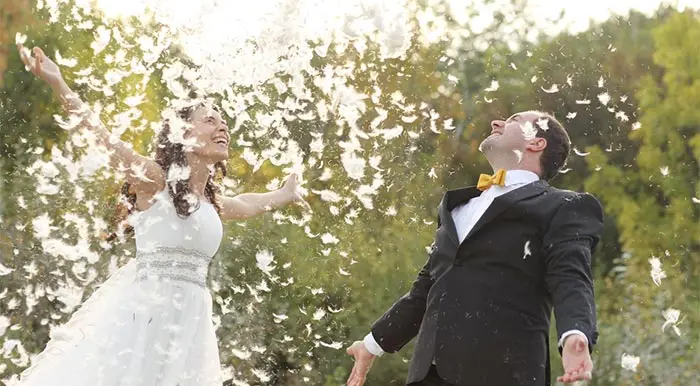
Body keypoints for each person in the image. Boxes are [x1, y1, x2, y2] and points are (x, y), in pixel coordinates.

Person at [14, 44, 308, 385]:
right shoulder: (155, 180)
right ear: (183, 133)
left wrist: (285, 193)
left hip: (190, 328)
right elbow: (104, 139)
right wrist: (58, 83)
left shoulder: (212, 202)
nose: (222, 127)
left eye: (224, 122)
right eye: (210, 120)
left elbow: (249, 203)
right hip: (144, 318)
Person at [346, 111, 604, 386]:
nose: (496, 122)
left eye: (513, 120)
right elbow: (425, 291)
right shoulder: (456, 208)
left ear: (536, 143)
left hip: (504, 374)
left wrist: (575, 333)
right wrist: (371, 345)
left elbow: (571, 278)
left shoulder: (563, 207)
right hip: (428, 376)